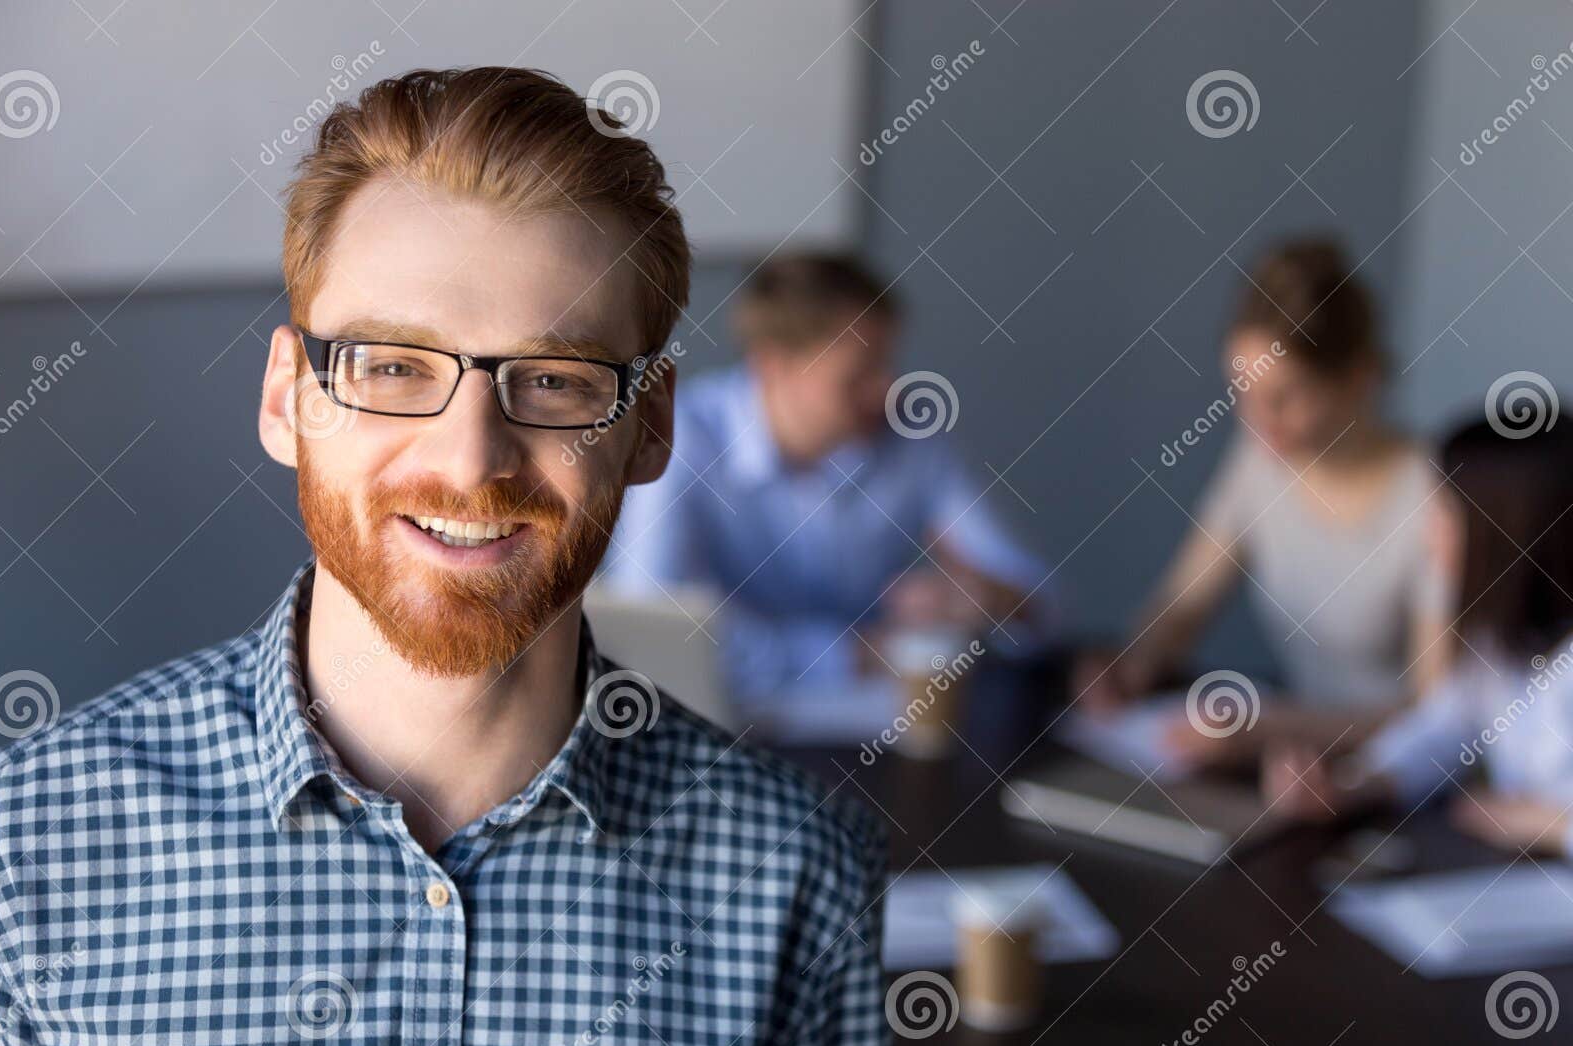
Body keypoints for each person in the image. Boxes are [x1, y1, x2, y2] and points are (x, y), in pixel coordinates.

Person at [0, 68, 888, 1046]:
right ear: (287, 397)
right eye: (393, 366)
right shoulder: (13, 850)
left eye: (553, 380)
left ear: (650, 428)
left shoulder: (799, 875)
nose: (468, 461)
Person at [604, 252, 1052, 708]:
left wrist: (984, 598)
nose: (885, 390)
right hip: (722, 734)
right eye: (859, 374)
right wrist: (858, 655)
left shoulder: (914, 442)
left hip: (879, 730)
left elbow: (1038, 606)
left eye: (887, 364)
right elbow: (657, 630)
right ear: (772, 366)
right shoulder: (678, 439)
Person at [1075, 237, 1451, 767]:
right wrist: (1128, 669)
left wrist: (1270, 728)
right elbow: (1182, 605)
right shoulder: (1262, 456)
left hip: (1406, 786)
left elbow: (1437, 718)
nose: (1257, 420)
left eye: (1285, 397)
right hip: (1302, 766)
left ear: (1359, 379)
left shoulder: (1437, 496)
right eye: (1242, 392)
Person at [1266, 417, 1573, 857]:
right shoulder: (1498, 639)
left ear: (1503, 531)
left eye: (1443, 513)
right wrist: (1353, 784)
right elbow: (1444, 726)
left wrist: (1549, 825)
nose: (1426, 534)